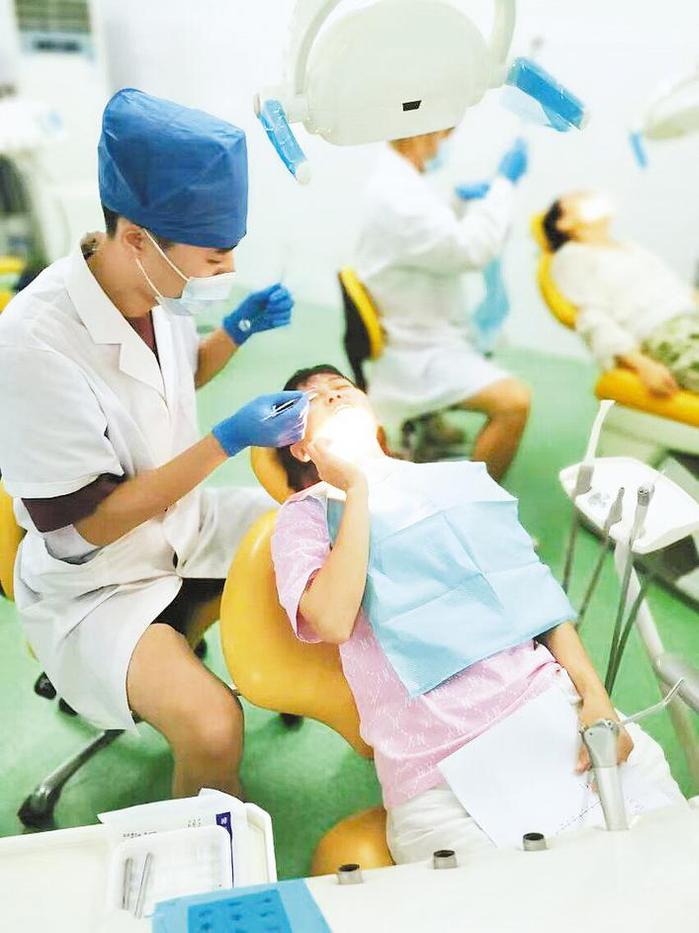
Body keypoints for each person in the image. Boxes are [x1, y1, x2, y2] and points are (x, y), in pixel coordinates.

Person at [0, 89, 310, 800]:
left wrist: (235, 331)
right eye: (214, 255)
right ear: (137, 238)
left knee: (315, 527)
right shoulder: (32, 346)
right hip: (98, 582)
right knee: (214, 728)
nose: (226, 270)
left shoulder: (155, 288)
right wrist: (227, 440)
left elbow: (176, 374)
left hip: (182, 524)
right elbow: (90, 524)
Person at [270, 364, 683, 863]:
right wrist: (355, 491)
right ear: (300, 448)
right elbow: (333, 620)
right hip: (436, 768)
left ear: (373, 412)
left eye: (342, 388)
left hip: (544, 710)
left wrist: (596, 700)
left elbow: (538, 602)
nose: (333, 395)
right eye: (313, 399)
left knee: (665, 847)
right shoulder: (305, 517)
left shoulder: (458, 481)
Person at [355, 130, 531, 480]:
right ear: (422, 131)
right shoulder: (398, 194)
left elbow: (430, 235)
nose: (446, 141)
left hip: (416, 327)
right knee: (515, 402)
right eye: (445, 132)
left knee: (478, 343)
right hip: (416, 350)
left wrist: (456, 201)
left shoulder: (399, 181)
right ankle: (475, 504)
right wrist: (503, 186)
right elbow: (469, 249)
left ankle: (430, 428)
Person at [544, 192, 699, 395]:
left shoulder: (633, 249)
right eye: (581, 197)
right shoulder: (572, 257)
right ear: (563, 223)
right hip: (666, 333)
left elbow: (682, 292)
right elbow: (591, 317)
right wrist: (642, 364)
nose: (592, 196)